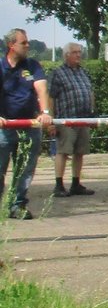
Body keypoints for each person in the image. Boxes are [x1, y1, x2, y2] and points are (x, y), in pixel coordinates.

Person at [0, 29, 54, 219]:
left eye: (27, 42)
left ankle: (17, 205)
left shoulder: (32, 65)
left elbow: (41, 88)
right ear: (11, 45)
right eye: (23, 43)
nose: (27, 45)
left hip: (29, 126)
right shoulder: (1, 66)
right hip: (5, 128)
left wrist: (45, 112)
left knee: (25, 169)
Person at [47, 42, 96, 197]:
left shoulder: (84, 72)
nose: (78, 55)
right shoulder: (58, 73)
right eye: (75, 52)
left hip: (83, 119)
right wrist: (51, 121)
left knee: (80, 152)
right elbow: (50, 97)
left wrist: (92, 114)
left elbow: (90, 92)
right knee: (63, 152)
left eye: (80, 52)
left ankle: (76, 183)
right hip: (66, 120)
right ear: (67, 54)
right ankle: (59, 185)